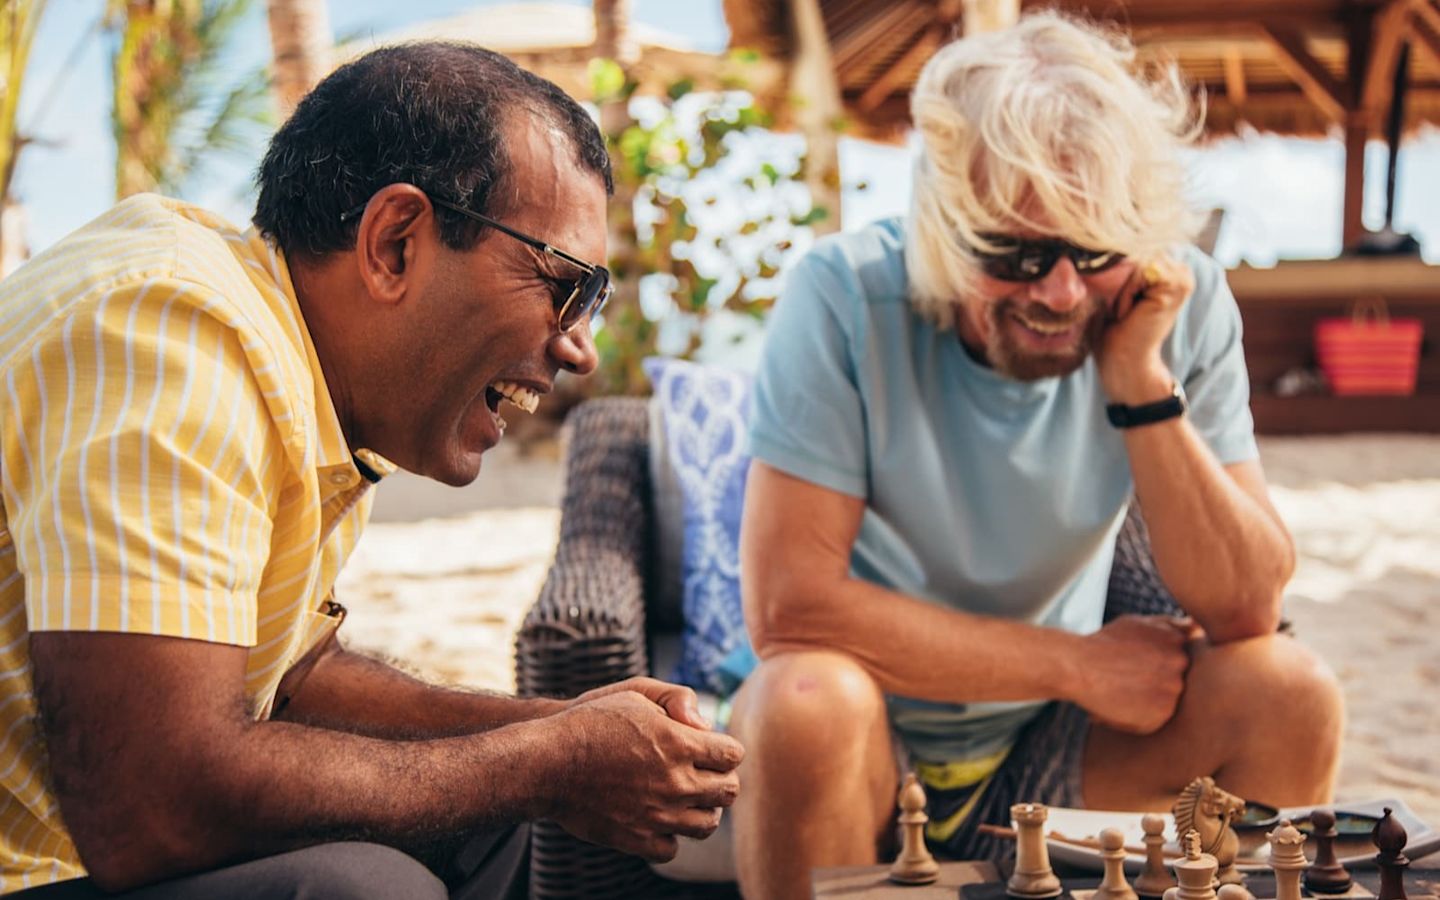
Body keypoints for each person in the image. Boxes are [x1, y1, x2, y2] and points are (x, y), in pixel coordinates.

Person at [0, 42, 741, 899]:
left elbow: (289, 679)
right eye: (565, 286)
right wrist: (549, 761)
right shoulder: (172, 336)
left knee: (494, 811)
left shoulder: (302, 374)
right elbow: (153, 805)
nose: (580, 347)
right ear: (395, 242)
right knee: (365, 889)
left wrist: (554, 730)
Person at [729, 13, 1344, 899]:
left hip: (1055, 744)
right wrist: (1075, 663)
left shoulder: (1179, 302)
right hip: (868, 735)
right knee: (804, 705)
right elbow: (790, 613)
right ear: (941, 223)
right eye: (1015, 254)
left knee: (1290, 691)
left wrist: (1139, 378)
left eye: (1093, 249)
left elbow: (1248, 607)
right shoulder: (841, 294)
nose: (1059, 293)